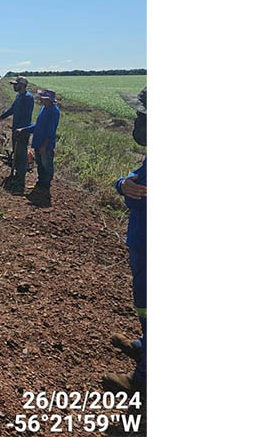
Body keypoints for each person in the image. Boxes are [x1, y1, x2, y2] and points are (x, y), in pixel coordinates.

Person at [103, 87, 147, 393]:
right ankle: (146, 344)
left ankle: (143, 378)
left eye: (143, 114)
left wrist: (129, 190)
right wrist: (123, 184)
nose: (139, 120)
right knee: (145, 303)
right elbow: (140, 175)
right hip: (142, 237)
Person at [0, 76, 35, 193]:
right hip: (16, 130)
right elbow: (12, 109)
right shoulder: (19, 96)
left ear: (22, 85)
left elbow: (26, 116)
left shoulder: (28, 98)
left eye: (16, 85)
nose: (14, 86)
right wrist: (0, 117)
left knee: (21, 155)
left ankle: (20, 180)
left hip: (22, 131)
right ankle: (15, 174)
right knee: (16, 153)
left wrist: (23, 129)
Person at [16, 89, 60, 198]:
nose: (41, 99)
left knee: (46, 165)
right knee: (40, 164)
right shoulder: (43, 109)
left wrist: (44, 145)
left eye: (43, 98)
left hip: (45, 145)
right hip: (38, 142)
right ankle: (40, 182)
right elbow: (37, 126)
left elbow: (51, 131)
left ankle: (46, 185)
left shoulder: (53, 111)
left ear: (48, 100)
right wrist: (24, 129)